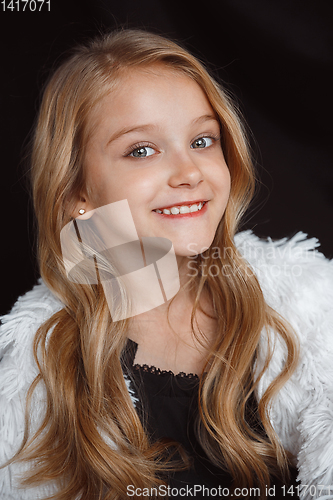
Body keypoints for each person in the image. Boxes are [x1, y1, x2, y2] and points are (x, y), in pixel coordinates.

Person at [0, 28, 333, 500]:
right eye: (142, 150)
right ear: (78, 193)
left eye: (202, 140)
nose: (189, 172)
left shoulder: (311, 308)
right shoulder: (35, 372)